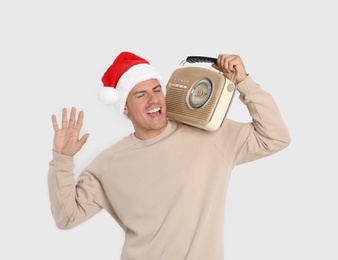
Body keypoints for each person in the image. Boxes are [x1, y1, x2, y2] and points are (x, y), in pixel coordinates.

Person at [48, 51, 291, 260]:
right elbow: (67, 217)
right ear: (124, 107)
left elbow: (275, 136)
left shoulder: (210, 133)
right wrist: (62, 159)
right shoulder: (109, 164)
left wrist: (243, 82)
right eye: (140, 94)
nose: (154, 99)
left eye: (156, 89)